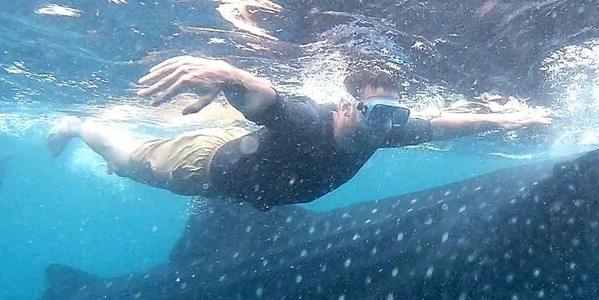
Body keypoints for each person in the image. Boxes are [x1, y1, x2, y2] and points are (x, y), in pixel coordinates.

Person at [47, 56, 552, 209]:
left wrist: (512, 119)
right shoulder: (310, 122)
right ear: (343, 106)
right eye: (371, 114)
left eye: (390, 115)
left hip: (252, 138)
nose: (381, 127)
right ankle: (78, 124)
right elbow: (268, 97)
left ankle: (215, 105)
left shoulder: (384, 132)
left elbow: (447, 126)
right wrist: (230, 75)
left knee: (231, 113)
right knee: (128, 157)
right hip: (209, 163)